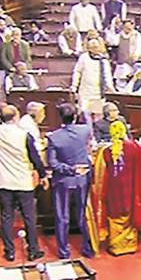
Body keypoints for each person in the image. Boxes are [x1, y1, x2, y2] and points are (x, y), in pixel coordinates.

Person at [0, 105, 46, 262]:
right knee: (29, 217)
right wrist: (42, 175)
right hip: (22, 181)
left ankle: (9, 251)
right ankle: (33, 250)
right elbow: (35, 158)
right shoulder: (24, 135)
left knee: (6, 217)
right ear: (15, 118)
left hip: (3, 181)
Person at [90, 120, 141, 256]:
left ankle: (116, 246)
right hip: (131, 190)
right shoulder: (136, 148)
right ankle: (129, 245)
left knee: (114, 215)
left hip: (113, 191)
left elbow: (100, 174)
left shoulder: (105, 152)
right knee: (129, 214)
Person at [46, 104, 95, 259]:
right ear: (75, 116)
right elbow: (88, 120)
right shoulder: (84, 130)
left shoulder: (53, 137)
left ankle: (64, 252)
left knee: (62, 217)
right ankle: (88, 248)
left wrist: (70, 169)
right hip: (82, 179)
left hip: (63, 180)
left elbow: (52, 163)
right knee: (83, 215)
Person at [72, 39, 114, 118]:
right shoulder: (83, 58)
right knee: (84, 113)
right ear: (89, 48)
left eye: (97, 47)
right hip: (85, 92)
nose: (95, 49)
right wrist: (74, 86)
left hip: (98, 93)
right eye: (93, 47)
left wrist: (111, 89)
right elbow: (77, 72)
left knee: (97, 114)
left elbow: (107, 76)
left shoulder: (104, 60)